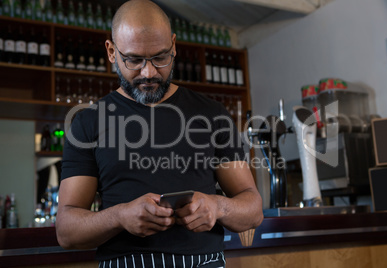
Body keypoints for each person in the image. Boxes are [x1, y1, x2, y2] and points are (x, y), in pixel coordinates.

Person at [56, 0, 263, 267]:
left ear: (174, 46)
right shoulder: (87, 123)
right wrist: (119, 216)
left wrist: (218, 206)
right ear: (111, 51)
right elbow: (66, 230)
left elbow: (253, 209)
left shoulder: (213, 114)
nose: (149, 72)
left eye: (160, 57)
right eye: (134, 60)